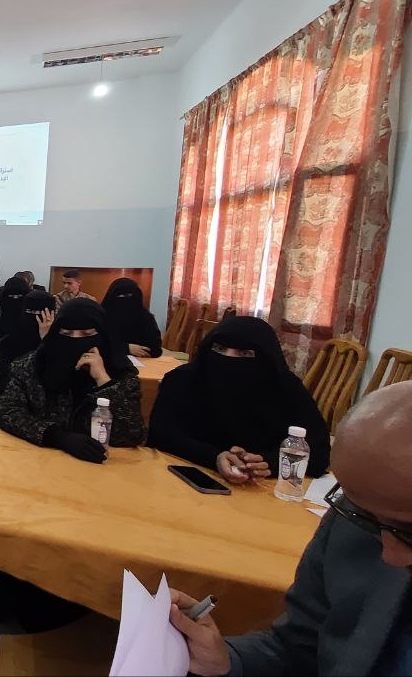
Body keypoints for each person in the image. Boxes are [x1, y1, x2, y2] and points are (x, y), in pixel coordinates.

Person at [167, 381, 412, 677]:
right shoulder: (351, 518)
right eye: (367, 518)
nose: (390, 555)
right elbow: (298, 650)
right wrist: (227, 662)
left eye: (409, 532)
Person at [149, 316, 330, 483]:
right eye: (219, 349)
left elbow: (318, 452)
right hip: (185, 482)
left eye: (244, 353)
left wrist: (265, 463)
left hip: (264, 489)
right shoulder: (184, 380)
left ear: (267, 358)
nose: (228, 358)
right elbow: (161, 434)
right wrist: (214, 457)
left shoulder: (285, 389)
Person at [0, 299, 145, 462]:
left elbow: (132, 434)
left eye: (87, 334)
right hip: (40, 460)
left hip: (100, 464)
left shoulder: (119, 371)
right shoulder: (33, 365)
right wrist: (57, 436)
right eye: (66, 334)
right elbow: (7, 411)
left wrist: (104, 380)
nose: (76, 340)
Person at [101, 277, 162, 358]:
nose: (125, 300)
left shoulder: (146, 318)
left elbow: (156, 349)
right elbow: (97, 345)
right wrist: (126, 348)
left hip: (142, 362)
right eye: (120, 296)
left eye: (129, 295)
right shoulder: (102, 317)